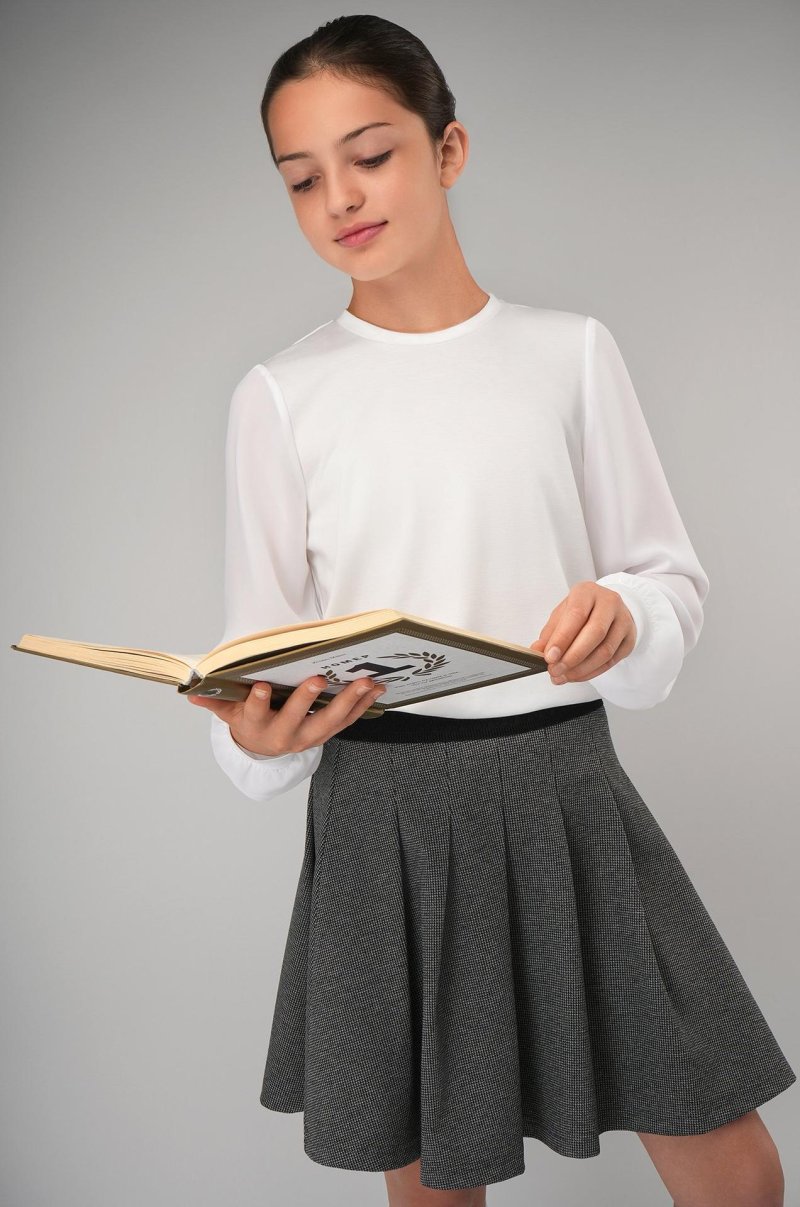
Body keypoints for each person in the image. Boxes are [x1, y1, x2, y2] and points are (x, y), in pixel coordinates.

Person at [188, 14, 795, 1206]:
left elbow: (665, 577)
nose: (338, 197)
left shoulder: (569, 355)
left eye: (370, 155)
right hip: (382, 815)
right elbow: (260, 652)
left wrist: (625, 611)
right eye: (301, 178)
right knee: (431, 1177)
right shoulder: (279, 396)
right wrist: (255, 734)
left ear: (448, 149)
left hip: (565, 788)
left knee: (733, 1166)